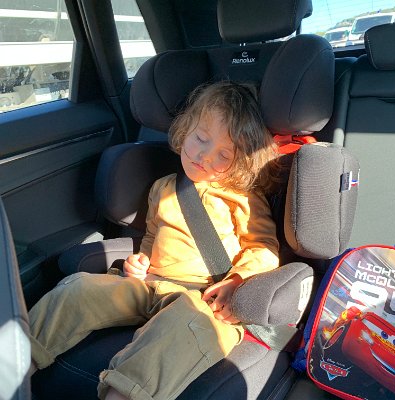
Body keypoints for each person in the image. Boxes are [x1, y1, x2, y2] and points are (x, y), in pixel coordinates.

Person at [29, 81, 282, 400]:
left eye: (224, 154)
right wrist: (142, 260)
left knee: (184, 327)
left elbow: (263, 247)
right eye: (201, 139)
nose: (204, 156)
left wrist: (237, 282)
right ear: (185, 130)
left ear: (241, 162)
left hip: (206, 301)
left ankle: (123, 393)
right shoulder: (163, 187)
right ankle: (18, 361)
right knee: (77, 289)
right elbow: (153, 234)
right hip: (151, 285)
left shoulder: (242, 198)